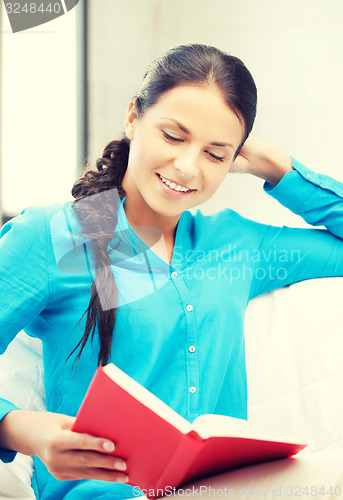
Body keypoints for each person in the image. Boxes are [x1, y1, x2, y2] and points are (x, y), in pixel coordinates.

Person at [0, 43, 342, 500]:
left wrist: (277, 166)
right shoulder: (57, 234)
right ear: (132, 118)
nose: (187, 167)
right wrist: (21, 429)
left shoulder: (236, 243)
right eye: (174, 136)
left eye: (215, 155)